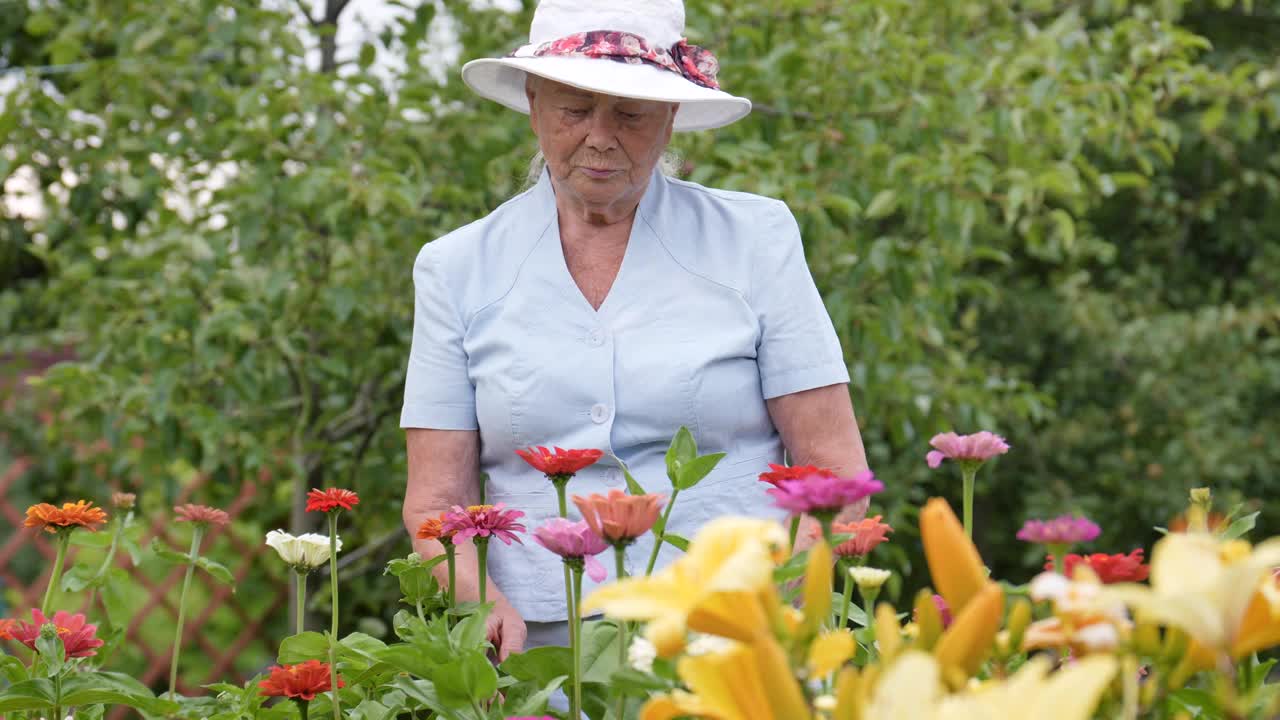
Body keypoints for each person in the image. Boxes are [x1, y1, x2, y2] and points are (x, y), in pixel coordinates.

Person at [401, 0, 869, 661]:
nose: (599, 135)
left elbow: (837, 474)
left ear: (671, 117)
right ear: (533, 104)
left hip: (733, 632)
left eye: (629, 112)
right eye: (573, 108)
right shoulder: (456, 269)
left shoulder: (755, 241)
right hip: (539, 651)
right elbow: (437, 499)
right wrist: (479, 600)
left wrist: (774, 612)